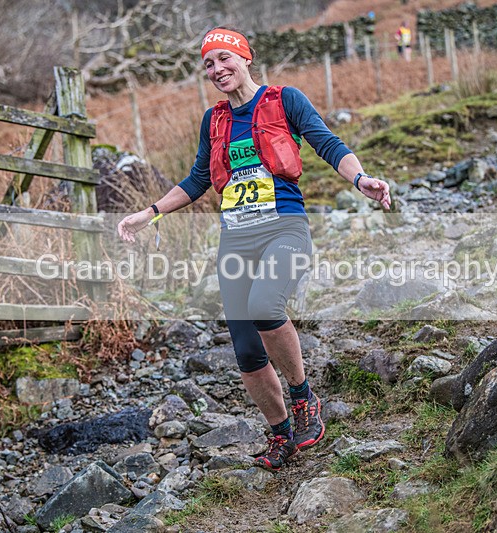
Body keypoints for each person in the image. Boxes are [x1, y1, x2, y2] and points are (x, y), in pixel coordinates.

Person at [118, 27, 391, 471]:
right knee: (246, 350)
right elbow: (197, 180)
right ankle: (281, 432)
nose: (217, 69)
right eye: (208, 64)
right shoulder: (214, 120)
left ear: (246, 57)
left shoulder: (286, 100)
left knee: (266, 306)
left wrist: (361, 180)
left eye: (224, 58)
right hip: (236, 241)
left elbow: (328, 144)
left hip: (284, 228)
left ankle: (304, 396)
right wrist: (149, 213)